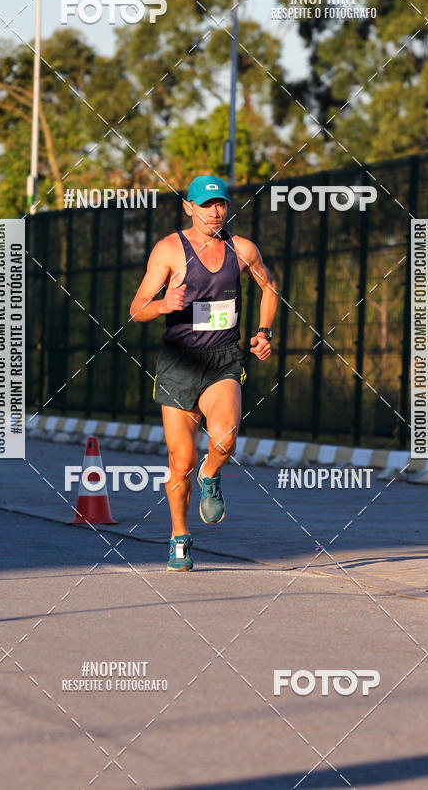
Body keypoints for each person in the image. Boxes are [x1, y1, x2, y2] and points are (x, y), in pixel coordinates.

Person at [129, 175, 277, 571]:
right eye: (207, 204)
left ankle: (210, 475)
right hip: (178, 364)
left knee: (225, 439)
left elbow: (269, 287)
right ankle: (179, 537)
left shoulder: (241, 249)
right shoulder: (169, 250)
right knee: (181, 461)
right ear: (189, 207)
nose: (215, 212)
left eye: (221, 204)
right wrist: (162, 304)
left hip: (223, 361)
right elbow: (136, 307)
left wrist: (263, 332)